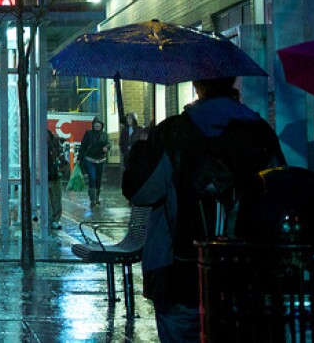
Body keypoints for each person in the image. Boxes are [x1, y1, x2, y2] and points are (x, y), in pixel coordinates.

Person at [122, 77, 286, 343]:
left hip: (178, 276)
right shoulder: (260, 132)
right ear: (232, 83)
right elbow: (277, 192)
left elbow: (141, 192)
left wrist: (140, 149)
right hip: (246, 275)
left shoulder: (173, 132)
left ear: (198, 86)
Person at [78, 117, 110, 207]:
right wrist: (79, 158)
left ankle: (97, 197)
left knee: (98, 180)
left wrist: (107, 147)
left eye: (99, 126)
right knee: (92, 178)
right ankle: (93, 199)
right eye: (96, 125)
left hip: (101, 159)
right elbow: (83, 146)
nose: (97, 127)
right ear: (93, 126)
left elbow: (108, 143)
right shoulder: (88, 134)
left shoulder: (104, 135)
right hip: (89, 159)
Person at [46, 129, 65, 230]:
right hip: (52, 175)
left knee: (53, 199)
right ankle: (53, 220)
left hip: (52, 175)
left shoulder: (54, 143)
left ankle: (52, 220)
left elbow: (61, 157)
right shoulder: (54, 142)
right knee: (54, 199)